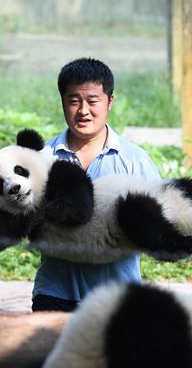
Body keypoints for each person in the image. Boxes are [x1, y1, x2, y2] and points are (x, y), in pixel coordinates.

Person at [32, 57, 162, 313]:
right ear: (62, 102)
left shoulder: (134, 161)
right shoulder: (42, 158)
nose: (83, 111)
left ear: (109, 102)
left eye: (92, 101)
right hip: (56, 294)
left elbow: (160, 216)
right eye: (73, 101)